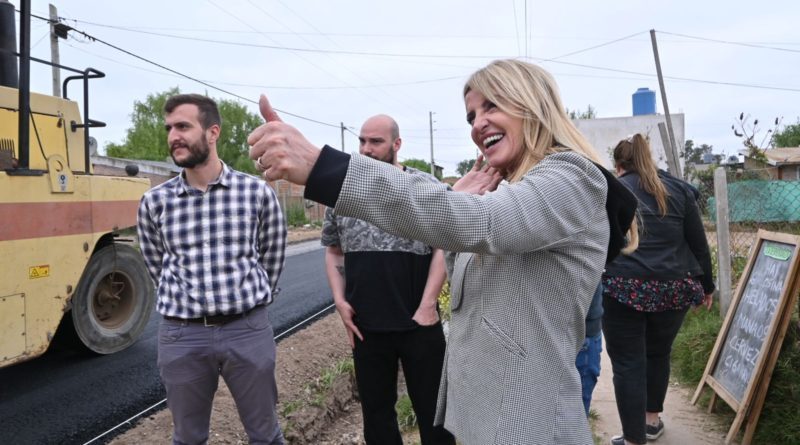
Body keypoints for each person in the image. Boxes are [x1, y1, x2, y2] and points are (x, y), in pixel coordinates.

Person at [248, 59, 637, 444]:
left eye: (492, 105)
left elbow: (480, 224)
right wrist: (458, 200)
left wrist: (323, 167)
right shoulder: (509, 192)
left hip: (528, 426)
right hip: (488, 419)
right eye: (471, 116)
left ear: (531, 104)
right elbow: (468, 248)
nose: (478, 124)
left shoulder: (570, 177)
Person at [137, 93, 287, 445]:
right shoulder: (154, 202)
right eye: (169, 128)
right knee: (187, 438)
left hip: (246, 330)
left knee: (265, 435)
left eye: (183, 126)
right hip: (182, 336)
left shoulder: (256, 193)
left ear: (212, 132)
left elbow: (273, 255)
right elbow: (156, 264)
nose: (174, 136)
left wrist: (250, 303)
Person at [321, 114, 455, 445]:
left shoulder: (424, 188)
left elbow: (444, 245)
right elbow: (334, 251)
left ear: (397, 144)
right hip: (366, 328)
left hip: (420, 324)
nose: (366, 149)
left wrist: (428, 305)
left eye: (376, 142)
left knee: (435, 416)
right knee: (377, 416)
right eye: (362, 141)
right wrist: (340, 300)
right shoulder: (343, 192)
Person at [602, 133, 714, 445]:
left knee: (628, 363)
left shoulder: (613, 190)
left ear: (619, 165)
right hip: (673, 287)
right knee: (658, 354)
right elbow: (699, 244)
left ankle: (633, 439)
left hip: (621, 287)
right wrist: (707, 286)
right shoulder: (679, 190)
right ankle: (651, 422)